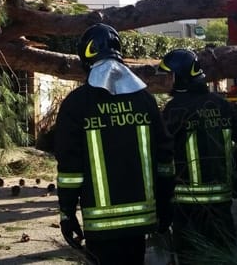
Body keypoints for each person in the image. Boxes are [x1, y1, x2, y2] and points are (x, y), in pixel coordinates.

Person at [54, 24, 174, 265]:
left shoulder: (77, 104)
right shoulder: (145, 100)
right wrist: (165, 205)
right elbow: (164, 158)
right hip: (141, 222)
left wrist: (67, 213)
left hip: (100, 227)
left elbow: (69, 169)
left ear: (86, 56)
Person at [158, 49, 237, 256]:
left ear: (179, 77)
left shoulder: (174, 109)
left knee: (191, 255)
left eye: (168, 76)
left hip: (187, 203)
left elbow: (162, 151)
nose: (165, 82)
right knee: (223, 252)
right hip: (221, 199)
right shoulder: (221, 104)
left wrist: (162, 192)